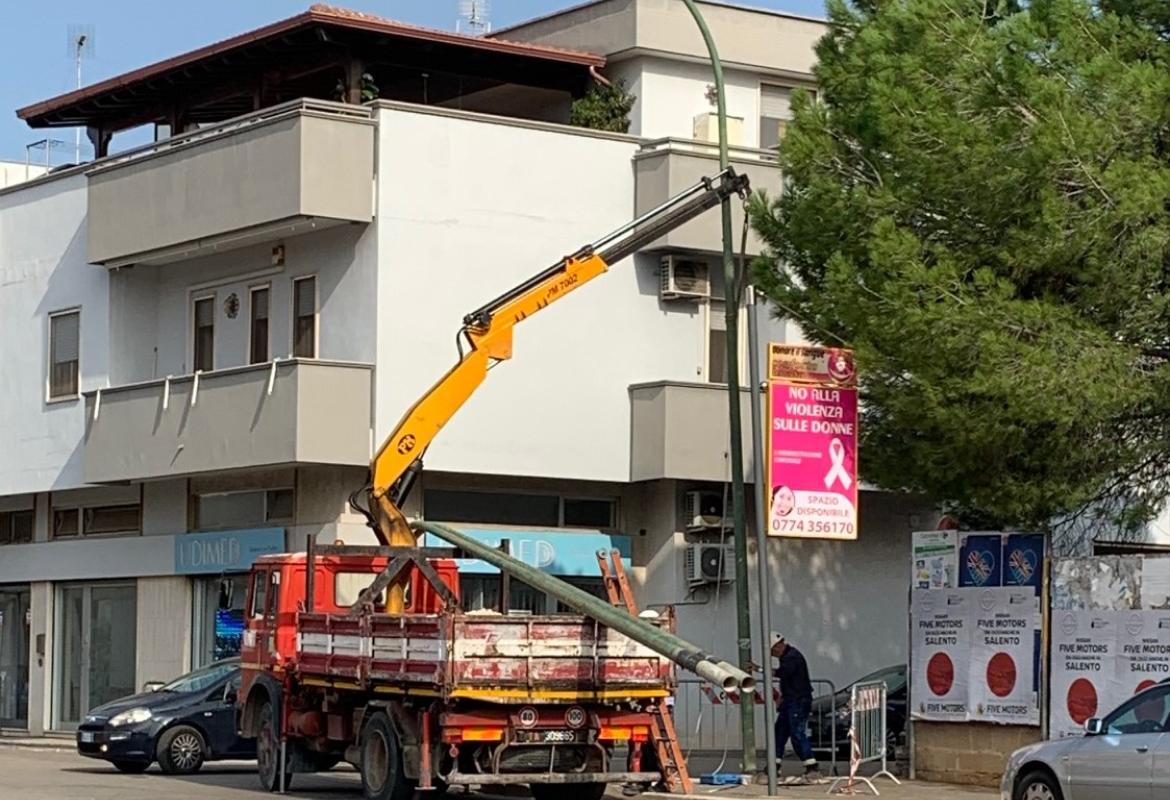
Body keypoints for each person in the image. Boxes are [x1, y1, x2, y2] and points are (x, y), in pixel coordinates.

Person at [770, 632, 820, 781]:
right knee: (779, 732)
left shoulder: (792, 657)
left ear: (778, 646)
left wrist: (760, 669)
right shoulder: (787, 656)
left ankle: (812, 766)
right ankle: (774, 766)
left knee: (797, 733)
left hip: (798, 701)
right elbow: (788, 681)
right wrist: (783, 697)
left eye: (772, 651)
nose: (772, 655)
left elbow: (783, 674)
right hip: (791, 700)